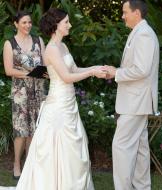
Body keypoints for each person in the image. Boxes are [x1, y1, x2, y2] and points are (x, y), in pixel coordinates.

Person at [14, 8, 107, 190]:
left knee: (72, 150)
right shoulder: (51, 49)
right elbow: (66, 77)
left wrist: (95, 68)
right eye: (66, 22)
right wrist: (92, 72)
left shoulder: (63, 46)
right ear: (56, 26)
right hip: (58, 107)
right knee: (57, 149)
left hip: (69, 104)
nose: (70, 25)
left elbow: (74, 70)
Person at [104, 0, 159, 189]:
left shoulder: (143, 34)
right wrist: (117, 70)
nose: (122, 15)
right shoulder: (140, 32)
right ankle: (142, 187)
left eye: (125, 12)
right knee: (141, 148)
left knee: (121, 147)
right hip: (137, 101)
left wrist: (116, 73)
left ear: (136, 13)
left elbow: (141, 69)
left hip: (135, 102)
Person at [3, 11, 46, 180]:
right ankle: (16, 164)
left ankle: (29, 164)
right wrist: (30, 74)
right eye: (24, 22)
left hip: (38, 90)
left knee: (34, 129)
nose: (28, 25)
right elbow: (8, 70)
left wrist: (38, 73)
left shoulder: (38, 41)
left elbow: (44, 65)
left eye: (29, 22)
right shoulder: (9, 43)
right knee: (21, 130)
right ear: (16, 24)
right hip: (20, 92)